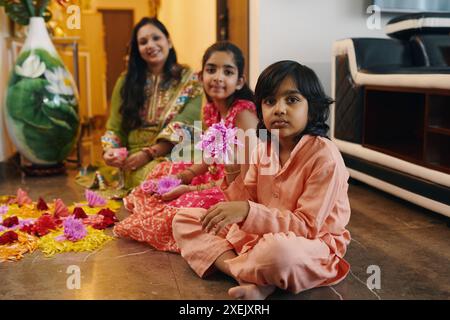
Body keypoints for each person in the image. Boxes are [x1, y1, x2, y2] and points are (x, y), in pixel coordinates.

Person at [172, 60, 352, 300]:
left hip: (310, 243)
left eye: (292, 100)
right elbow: (249, 203)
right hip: (258, 237)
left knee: (280, 253)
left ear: (313, 108)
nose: (279, 109)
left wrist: (248, 213)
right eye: (269, 101)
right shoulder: (263, 149)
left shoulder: (324, 156)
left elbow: (308, 226)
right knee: (185, 219)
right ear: (261, 110)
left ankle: (250, 271)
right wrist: (233, 174)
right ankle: (251, 276)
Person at [113, 42, 258, 252]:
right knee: (161, 174)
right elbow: (211, 157)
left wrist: (191, 188)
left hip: (237, 190)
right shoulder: (212, 109)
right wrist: (186, 175)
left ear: (239, 82)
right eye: (211, 70)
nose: (218, 77)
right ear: (200, 77)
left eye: (227, 72)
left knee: (176, 209)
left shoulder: (244, 114)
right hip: (217, 178)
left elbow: (245, 179)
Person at [76, 17, 202, 196]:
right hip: (135, 159)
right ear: (138, 50)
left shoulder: (192, 81)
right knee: (160, 179)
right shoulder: (125, 81)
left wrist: (150, 153)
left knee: (192, 173)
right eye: (143, 42)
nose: (150, 45)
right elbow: (115, 127)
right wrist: (110, 151)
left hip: (177, 151)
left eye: (156, 38)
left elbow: (187, 124)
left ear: (169, 41)